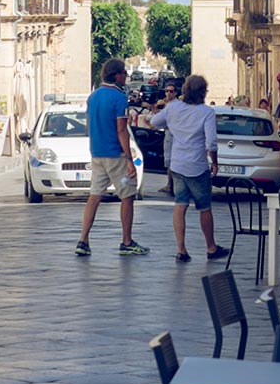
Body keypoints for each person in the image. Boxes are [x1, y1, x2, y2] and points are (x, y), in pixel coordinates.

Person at [153, 74, 227, 263]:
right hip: (197, 165)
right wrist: (215, 162)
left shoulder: (174, 107)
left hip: (177, 164)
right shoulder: (206, 112)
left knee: (180, 204)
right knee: (204, 207)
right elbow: (211, 142)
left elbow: (154, 122)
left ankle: (181, 249)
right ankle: (211, 247)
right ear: (203, 92)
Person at [80, 57, 147, 256]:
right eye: (124, 73)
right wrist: (129, 159)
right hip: (115, 154)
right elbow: (121, 129)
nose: (126, 76)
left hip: (97, 153)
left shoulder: (93, 96)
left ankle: (83, 239)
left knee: (94, 196)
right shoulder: (119, 98)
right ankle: (126, 241)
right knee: (127, 195)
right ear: (117, 75)